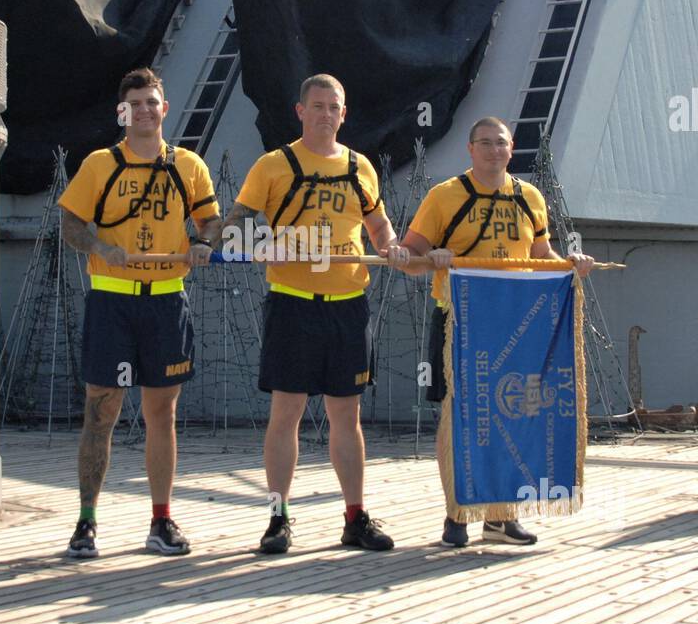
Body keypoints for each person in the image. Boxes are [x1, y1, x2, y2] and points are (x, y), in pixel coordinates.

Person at [220, 74, 409, 554]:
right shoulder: (274, 165)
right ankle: (277, 518)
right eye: (318, 106)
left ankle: (355, 517)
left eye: (335, 107)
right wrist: (266, 244)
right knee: (286, 413)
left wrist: (391, 247)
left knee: (347, 414)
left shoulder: (359, 166)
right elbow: (233, 228)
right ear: (300, 110)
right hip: (292, 304)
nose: (326, 114)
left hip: (348, 305)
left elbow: (378, 222)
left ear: (344, 115)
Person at [399, 116, 593, 548]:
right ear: (470, 149)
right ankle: (457, 514)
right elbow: (408, 256)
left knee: (512, 412)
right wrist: (432, 257)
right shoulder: (445, 196)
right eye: (484, 143)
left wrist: (571, 265)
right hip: (459, 319)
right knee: (459, 415)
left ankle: (502, 515)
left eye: (501, 143)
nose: (494, 150)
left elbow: (542, 255)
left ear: (511, 148)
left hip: (517, 322)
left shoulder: (530, 197)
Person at [58, 68, 221, 558]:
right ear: (121, 113)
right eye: (136, 103)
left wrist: (201, 242)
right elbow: (69, 223)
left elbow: (211, 220)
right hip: (112, 300)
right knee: (100, 412)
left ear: (164, 109)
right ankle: (86, 522)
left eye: (153, 101)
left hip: (167, 301)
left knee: (161, 413)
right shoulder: (99, 165)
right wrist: (99, 246)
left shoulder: (188, 166)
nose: (145, 110)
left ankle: (161, 520)